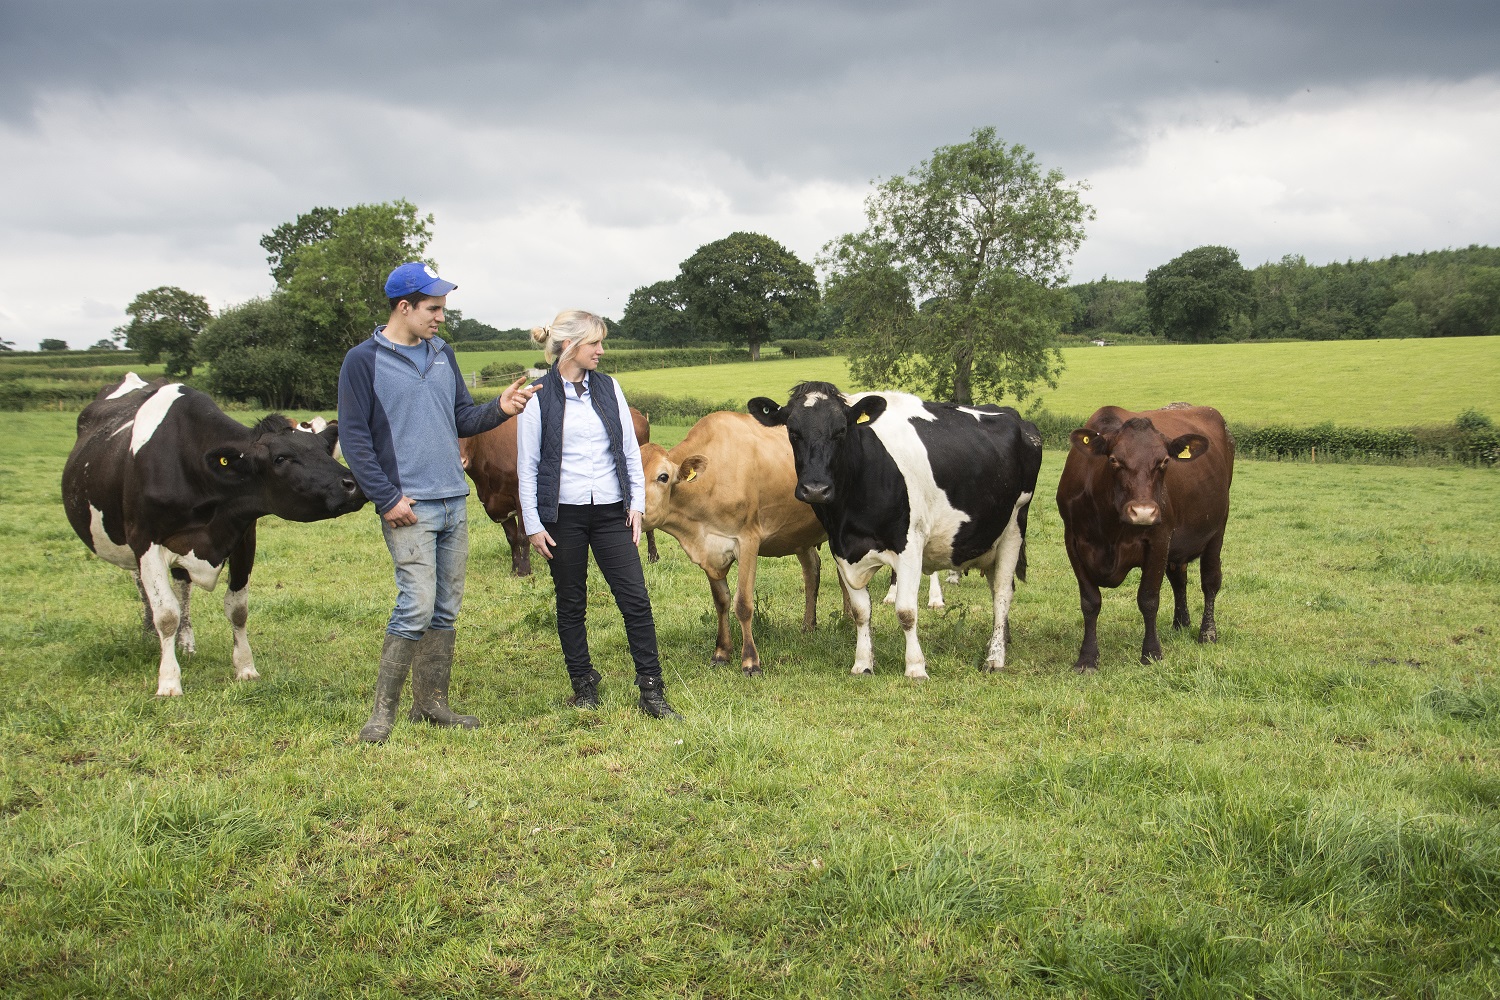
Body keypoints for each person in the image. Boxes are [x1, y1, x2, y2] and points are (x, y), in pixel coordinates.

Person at [338, 262, 534, 743]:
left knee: (445, 606)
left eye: (442, 307)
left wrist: (499, 410)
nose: (441, 317)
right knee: (416, 604)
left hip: (452, 498)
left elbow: (462, 417)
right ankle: (382, 714)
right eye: (433, 308)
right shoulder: (362, 361)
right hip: (408, 505)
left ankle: (432, 705)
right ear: (403, 307)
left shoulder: (442, 354)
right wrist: (386, 499)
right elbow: (356, 439)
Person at [516, 310, 680, 719]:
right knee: (571, 603)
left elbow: (628, 451)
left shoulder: (609, 388)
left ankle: (651, 690)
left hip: (612, 514)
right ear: (570, 346)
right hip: (562, 518)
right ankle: (583, 684)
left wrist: (637, 505)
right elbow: (527, 465)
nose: (601, 351)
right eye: (595, 343)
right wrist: (533, 525)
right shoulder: (539, 395)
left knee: (636, 599)